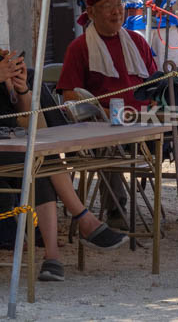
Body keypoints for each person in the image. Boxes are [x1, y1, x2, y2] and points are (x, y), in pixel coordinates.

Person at [55, 0, 178, 228]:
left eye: (118, 5)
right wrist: (102, 112)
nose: (116, 12)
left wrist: (160, 104)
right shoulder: (79, 48)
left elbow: (155, 83)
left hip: (147, 122)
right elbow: (69, 96)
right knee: (108, 144)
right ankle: (115, 210)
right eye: (107, 7)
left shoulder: (136, 41)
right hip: (106, 126)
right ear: (91, 13)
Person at [0, 48, 127, 282]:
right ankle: (83, 222)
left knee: (41, 161)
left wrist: (20, 89)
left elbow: (33, 123)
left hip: (11, 148)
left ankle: (53, 257)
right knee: (40, 157)